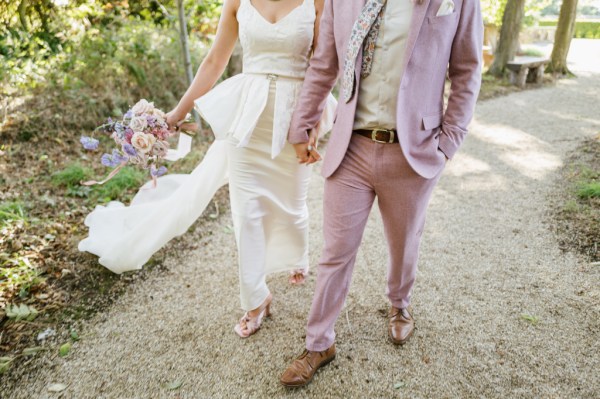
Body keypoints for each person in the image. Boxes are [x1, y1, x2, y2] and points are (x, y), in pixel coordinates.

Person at [79, 0, 336, 338]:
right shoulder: (238, 2)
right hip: (248, 119)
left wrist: (312, 122)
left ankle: (293, 256)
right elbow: (215, 60)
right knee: (247, 212)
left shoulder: (318, 1)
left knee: (291, 205)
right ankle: (255, 298)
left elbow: (323, 65)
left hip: (294, 117)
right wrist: (175, 114)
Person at [279, 0, 483, 386]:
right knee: (335, 251)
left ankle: (399, 304)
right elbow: (325, 64)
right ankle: (318, 342)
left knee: (404, 242)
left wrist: (448, 142)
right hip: (351, 146)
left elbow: (468, 69)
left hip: (414, 151)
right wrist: (302, 126)